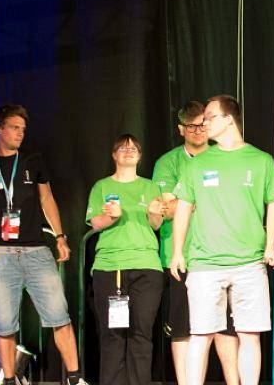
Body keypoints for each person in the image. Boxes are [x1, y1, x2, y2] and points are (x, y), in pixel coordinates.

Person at [0, 103, 86, 385]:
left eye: (23, 129)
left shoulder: (32, 160)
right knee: (4, 323)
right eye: (14, 128)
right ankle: (10, 379)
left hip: (37, 251)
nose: (20, 133)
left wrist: (60, 237)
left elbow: (47, 199)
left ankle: (75, 378)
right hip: (0, 254)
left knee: (59, 316)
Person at [169, 94, 274, 385]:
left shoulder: (260, 160)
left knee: (249, 334)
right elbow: (183, 207)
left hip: (249, 262)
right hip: (205, 262)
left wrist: (271, 245)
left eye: (210, 117)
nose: (204, 123)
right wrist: (177, 251)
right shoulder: (197, 164)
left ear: (229, 119)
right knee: (201, 334)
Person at [152, 101, 239, 385]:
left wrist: (187, 203)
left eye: (202, 124)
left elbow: (231, 202)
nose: (198, 131)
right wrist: (196, 203)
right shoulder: (167, 163)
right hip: (182, 257)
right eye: (191, 126)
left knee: (226, 328)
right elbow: (168, 208)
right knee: (183, 327)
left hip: (221, 254)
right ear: (181, 129)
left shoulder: (223, 156)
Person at [86, 134, 164, 385]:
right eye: (122, 148)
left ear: (140, 156)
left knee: (142, 332)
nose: (128, 151)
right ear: (114, 155)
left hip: (146, 267)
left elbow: (156, 224)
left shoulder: (151, 187)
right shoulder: (101, 187)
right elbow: (95, 223)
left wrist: (154, 213)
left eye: (133, 148)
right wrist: (112, 217)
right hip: (111, 267)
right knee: (113, 334)